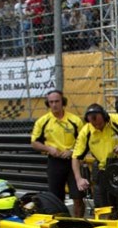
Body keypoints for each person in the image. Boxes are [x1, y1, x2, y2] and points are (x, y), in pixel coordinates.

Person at [73, 103, 118, 218]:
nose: (97, 126)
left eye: (99, 123)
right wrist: (78, 179)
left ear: (105, 117)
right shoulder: (86, 131)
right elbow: (76, 157)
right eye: (93, 124)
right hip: (102, 169)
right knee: (102, 206)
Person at [30, 90, 86, 218]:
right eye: (51, 102)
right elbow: (34, 143)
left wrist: (72, 151)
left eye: (57, 101)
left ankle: (79, 223)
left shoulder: (75, 120)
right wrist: (49, 149)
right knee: (55, 198)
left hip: (73, 162)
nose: (54, 105)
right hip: (54, 162)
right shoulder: (42, 122)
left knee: (78, 196)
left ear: (63, 102)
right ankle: (61, 224)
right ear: (48, 104)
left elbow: (84, 141)